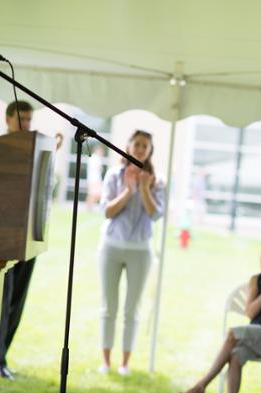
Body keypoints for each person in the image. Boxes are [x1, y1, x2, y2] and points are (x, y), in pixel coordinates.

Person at [184, 231, 261, 393]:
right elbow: (250, 314)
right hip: (257, 338)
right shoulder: (256, 280)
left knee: (232, 333)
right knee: (236, 355)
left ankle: (201, 385)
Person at [0, 100, 62, 379]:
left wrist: (51, 155)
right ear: (8, 119)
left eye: (30, 119)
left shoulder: (37, 152)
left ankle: (2, 358)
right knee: (2, 299)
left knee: (17, 301)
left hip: (28, 237)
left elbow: (48, 190)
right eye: (21, 119)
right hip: (0, 238)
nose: (26, 125)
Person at [98, 130, 165, 375]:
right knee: (109, 307)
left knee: (131, 309)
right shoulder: (114, 175)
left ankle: (124, 363)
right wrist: (128, 190)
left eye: (145, 146)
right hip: (111, 247)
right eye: (136, 144)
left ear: (150, 150)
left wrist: (144, 188)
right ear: (128, 146)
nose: (140, 149)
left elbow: (156, 215)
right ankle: (105, 361)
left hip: (141, 250)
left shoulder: (157, 180)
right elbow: (107, 211)